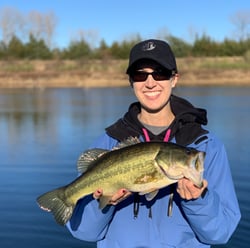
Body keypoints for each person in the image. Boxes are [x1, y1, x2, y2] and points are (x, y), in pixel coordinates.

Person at [66, 39, 241, 247]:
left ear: (174, 79)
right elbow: (84, 232)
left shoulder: (207, 146)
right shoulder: (109, 142)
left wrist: (198, 201)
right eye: (140, 75)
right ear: (131, 82)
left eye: (160, 73)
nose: (150, 83)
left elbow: (220, 234)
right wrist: (103, 203)